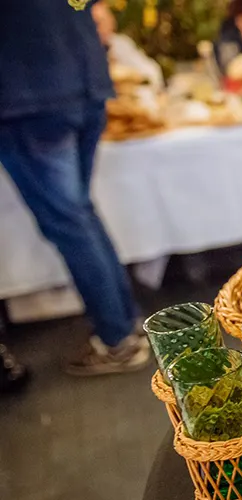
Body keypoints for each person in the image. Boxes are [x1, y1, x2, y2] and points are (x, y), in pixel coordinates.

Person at [0, 0, 149, 375]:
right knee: (79, 215)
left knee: (71, 222)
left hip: (29, 93)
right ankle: (124, 325)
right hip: (83, 82)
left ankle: (118, 338)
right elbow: (98, 14)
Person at [92, 0, 165, 89]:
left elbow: (152, 72)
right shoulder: (82, 51)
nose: (96, 29)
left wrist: (128, 75)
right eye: (92, 25)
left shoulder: (121, 45)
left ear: (112, 23)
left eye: (99, 23)